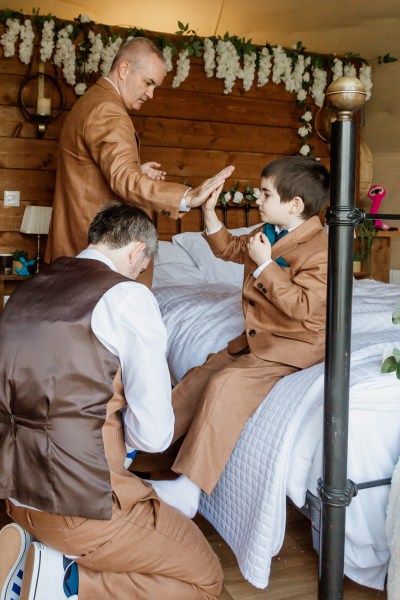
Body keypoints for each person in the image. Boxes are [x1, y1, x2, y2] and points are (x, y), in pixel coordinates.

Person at [0, 203, 223, 600]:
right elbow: (154, 436)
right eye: (143, 266)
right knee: (206, 580)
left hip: (15, 494)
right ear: (138, 252)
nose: (140, 275)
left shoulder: (29, 289)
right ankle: (63, 582)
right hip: (79, 508)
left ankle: (44, 561)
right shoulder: (127, 297)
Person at [147, 155, 330, 518]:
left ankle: (189, 489)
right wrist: (211, 213)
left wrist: (264, 265)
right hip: (261, 340)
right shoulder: (269, 233)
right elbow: (230, 249)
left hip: (295, 346)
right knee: (199, 377)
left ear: (294, 204)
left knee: (227, 384)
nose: (257, 200)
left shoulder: (321, 249)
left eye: (264, 194)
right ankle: (141, 454)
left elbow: (303, 308)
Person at [45, 36, 234, 285]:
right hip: (98, 258)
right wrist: (187, 197)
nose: (151, 94)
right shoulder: (108, 110)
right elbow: (125, 180)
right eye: (148, 82)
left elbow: (92, 172)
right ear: (124, 69)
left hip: (76, 251)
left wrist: (137, 171)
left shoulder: (92, 100)